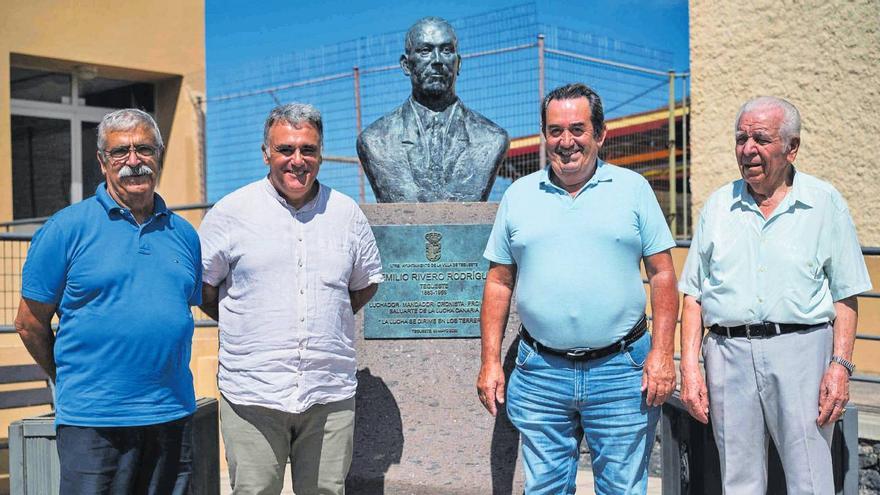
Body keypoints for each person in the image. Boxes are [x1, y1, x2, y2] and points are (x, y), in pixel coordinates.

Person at [477, 83, 678, 494]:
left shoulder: (633, 190)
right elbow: (498, 282)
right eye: (555, 130)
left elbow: (663, 274)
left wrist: (662, 354)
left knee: (622, 488)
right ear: (543, 136)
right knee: (545, 488)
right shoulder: (518, 196)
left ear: (599, 134)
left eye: (577, 129)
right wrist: (490, 361)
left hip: (623, 372)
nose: (565, 141)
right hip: (541, 374)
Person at [678, 96, 872, 494]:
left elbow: (846, 294)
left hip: (803, 352)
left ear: (791, 148)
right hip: (727, 355)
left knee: (810, 479)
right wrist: (691, 368)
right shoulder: (717, 206)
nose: (748, 149)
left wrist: (840, 366)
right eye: (741, 138)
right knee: (738, 480)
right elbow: (693, 295)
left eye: (761, 139)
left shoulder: (824, 203)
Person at [199, 103, 383, 494]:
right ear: (266, 152)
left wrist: (325, 316)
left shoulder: (347, 214)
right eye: (285, 149)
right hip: (252, 393)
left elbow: (365, 283)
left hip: (327, 392)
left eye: (308, 150)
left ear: (321, 153)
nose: (297, 160)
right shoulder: (230, 213)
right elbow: (204, 287)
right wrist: (250, 320)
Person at [15, 108, 200, 493]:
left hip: (170, 415)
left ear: (158, 156)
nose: (134, 161)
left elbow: (179, 309)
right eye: (120, 152)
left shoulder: (184, 233)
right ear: (103, 162)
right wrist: (69, 375)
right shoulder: (66, 229)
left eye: (144, 149)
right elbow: (29, 323)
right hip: (93, 422)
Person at [357, 16, 509, 202]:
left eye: (446, 50)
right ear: (406, 65)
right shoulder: (375, 139)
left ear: (458, 63)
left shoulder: (491, 138)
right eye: (425, 51)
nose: (437, 60)